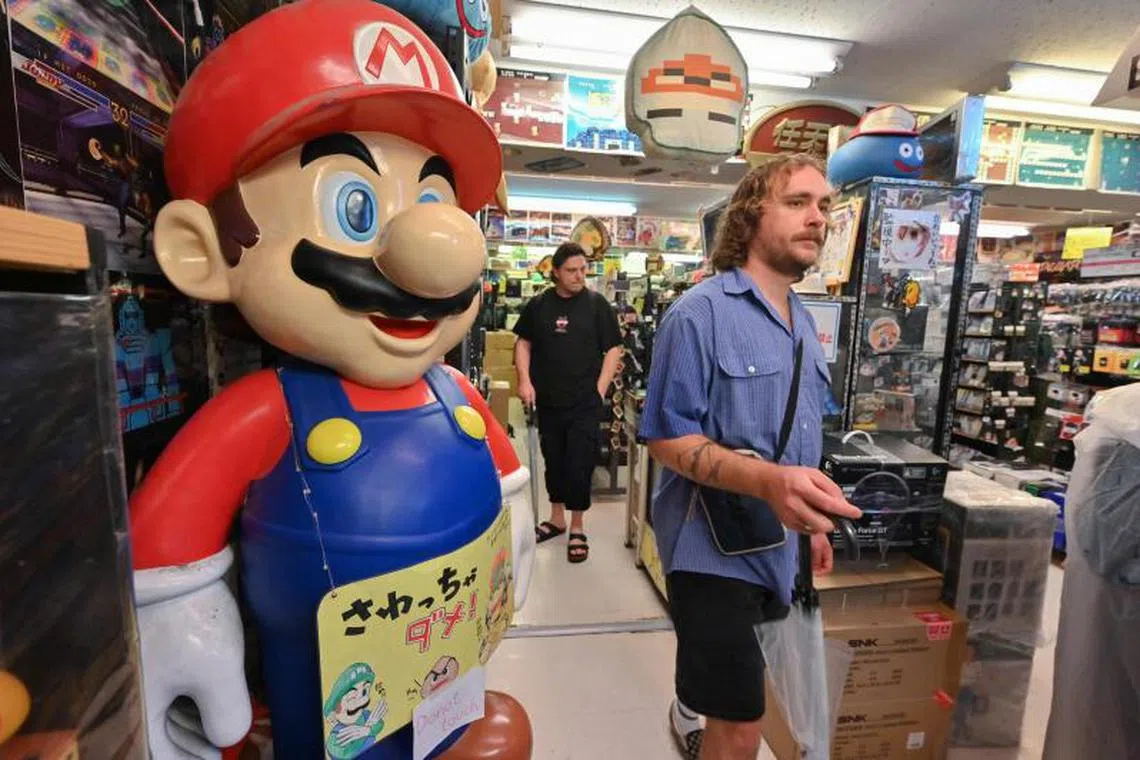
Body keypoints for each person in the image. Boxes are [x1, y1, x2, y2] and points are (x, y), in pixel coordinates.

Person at [638, 154, 862, 760]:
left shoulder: (803, 322)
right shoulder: (699, 314)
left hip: (778, 545)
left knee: (746, 703)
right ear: (749, 216)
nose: (817, 218)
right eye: (797, 202)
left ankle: (692, 711)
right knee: (739, 725)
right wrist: (769, 483)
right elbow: (666, 437)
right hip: (709, 551)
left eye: (824, 206)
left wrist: (813, 525)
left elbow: (797, 436)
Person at [514, 241, 623, 563]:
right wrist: (524, 380)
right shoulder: (539, 305)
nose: (579, 276)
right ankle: (556, 518)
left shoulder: (596, 305)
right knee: (554, 459)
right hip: (548, 400)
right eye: (572, 271)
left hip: (584, 402)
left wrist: (600, 389)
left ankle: (577, 526)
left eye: (583, 270)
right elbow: (523, 344)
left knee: (579, 462)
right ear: (556, 272)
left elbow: (613, 348)